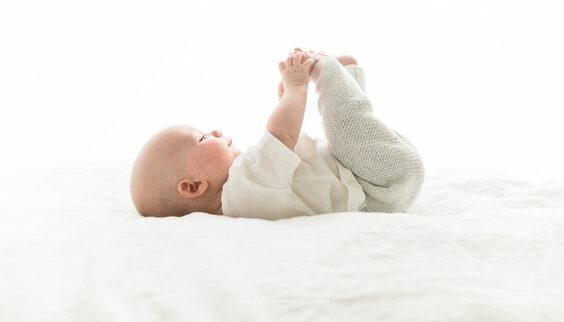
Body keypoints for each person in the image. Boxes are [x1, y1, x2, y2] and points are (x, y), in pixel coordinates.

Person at [130, 48, 425, 219]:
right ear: (193, 186)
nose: (215, 130)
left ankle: (344, 83)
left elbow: (287, 143)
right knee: (344, 123)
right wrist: (297, 88)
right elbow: (281, 136)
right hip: (379, 182)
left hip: (370, 176)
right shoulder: (242, 188)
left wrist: (287, 100)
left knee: (345, 130)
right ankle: (334, 76)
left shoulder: (249, 192)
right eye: (203, 138)